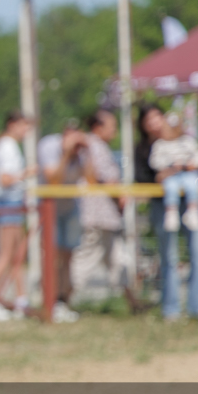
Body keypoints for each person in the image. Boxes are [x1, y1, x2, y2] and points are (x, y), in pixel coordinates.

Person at [137, 105, 198, 320]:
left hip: (189, 204)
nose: (154, 123)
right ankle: (171, 309)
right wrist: (167, 173)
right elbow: (144, 177)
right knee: (169, 257)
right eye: (148, 119)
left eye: (156, 117)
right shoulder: (146, 149)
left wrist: (186, 168)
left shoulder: (186, 142)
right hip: (163, 206)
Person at [75, 110, 129, 297]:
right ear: (98, 127)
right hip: (97, 215)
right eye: (112, 127)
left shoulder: (91, 145)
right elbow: (106, 179)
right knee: (87, 259)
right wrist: (120, 196)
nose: (114, 131)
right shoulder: (94, 146)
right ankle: (61, 298)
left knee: (117, 258)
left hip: (104, 216)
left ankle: (132, 300)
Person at [37, 119, 87, 307]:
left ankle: (64, 300)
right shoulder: (49, 146)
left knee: (68, 256)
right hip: (50, 208)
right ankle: (49, 301)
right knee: (51, 256)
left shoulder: (81, 152)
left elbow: (91, 178)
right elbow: (53, 179)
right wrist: (66, 154)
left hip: (71, 207)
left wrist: (87, 152)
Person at [0, 111, 35, 309]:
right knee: (6, 254)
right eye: (24, 126)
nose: (27, 131)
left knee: (17, 255)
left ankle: (20, 297)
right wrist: (26, 173)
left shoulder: (8, 145)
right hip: (8, 203)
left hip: (12, 203)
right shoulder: (7, 146)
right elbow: (5, 179)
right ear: (12, 124)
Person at [149, 112, 198, 233]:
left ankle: (193, 210)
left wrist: (191, 164)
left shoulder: (187, 141)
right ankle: (171, 211)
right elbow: (155, 162)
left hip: (187, 173)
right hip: (171, 175)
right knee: (170, 186)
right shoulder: (160, 144)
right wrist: (170, 166)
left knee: (193, 183)